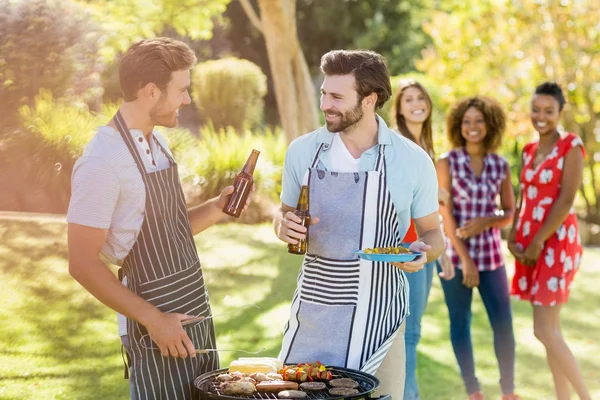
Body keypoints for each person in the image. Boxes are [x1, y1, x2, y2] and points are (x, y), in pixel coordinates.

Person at [67, 37, 252, 399]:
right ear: (151, 91)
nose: (187, 99)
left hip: (193, 309)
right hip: (157, 326)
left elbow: (168, 230)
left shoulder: (157, 142)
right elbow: (81, 263)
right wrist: (154, 320)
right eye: (182, 90)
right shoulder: (101, 162)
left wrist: (216, 207)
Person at [273, 50, 445, 399]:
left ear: (370, 100)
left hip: (381, 318)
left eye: (337, 97)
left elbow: (433, 232)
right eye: (324, 93)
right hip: (315, 312)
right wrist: (282, 226)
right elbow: (283, 212)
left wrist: (423, 253)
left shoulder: (411, 160)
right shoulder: (303, 151)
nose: (325, 105)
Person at [508, 82, 590, 400]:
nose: (541, 117)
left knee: (542, 329)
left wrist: (538, 241)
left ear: (559, 112)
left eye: (549, 111)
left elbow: (566, 199)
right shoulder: (529, 150)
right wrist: (515, 235)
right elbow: (524, 195)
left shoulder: (571, 145)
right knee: (551, 332)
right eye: (536, 110)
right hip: (531, 242)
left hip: (556, 242)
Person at [436, 96, 520, 400]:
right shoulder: (446, 162)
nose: (473, 127)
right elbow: (445, 214)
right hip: (456, 259)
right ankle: (473, 390)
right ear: (459, 125)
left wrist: (487, 220)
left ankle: (508, 391)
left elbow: (509, 212)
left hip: (492, 257)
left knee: (504, 324)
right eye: (467, 121)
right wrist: (466, 262)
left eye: (479, 120)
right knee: (460, 322)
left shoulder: (500, 165)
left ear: (490, 124)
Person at [391, 79, 455, 400]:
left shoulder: (426, 148)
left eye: (421, 98)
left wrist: (441, 250)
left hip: (426, 248)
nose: (416, 103)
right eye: (408, 99)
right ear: (399, 110)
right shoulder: (397, 147)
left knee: (411, 332)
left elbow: (428, 214)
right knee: (407, 333)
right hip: (405, 250)